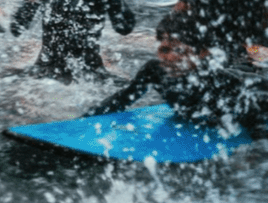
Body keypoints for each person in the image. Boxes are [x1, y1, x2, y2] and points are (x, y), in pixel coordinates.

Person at [84, 12, 267, 129]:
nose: (170, 58)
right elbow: (123, 98)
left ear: (200, 54)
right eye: (164, 50)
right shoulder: (154, 70)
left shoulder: (216, 80)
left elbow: (255, 108)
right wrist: (87, 118)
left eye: (179, 51)